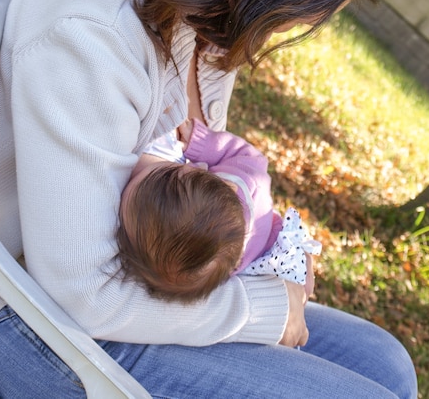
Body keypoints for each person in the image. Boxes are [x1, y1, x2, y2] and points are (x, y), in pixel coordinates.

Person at [0, 0, 417, 398]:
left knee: (384, 363)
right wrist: (265, 307)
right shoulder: (89, 36)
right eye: (315, 2)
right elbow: (83, 291)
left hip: (122, 289)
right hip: (21, 308)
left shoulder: (202, 35)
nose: (312, 21)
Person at [117, 119, 320, 303]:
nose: (136, 171)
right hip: (277, 263)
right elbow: (250, 155)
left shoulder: (212, 268)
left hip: (283, 259)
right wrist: (200, 142)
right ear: (197, 170)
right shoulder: (245, 179)